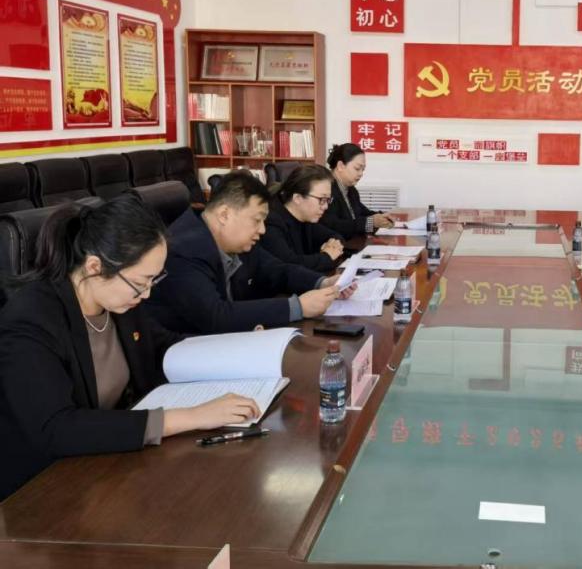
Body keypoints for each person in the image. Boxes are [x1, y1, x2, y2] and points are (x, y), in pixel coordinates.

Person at [0, 196, 260, 500]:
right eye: (142, 281)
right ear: (95, 266)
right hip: (44, 486)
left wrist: (239, 348)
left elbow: (162, 344)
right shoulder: (31, 319)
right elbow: (56, 428)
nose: (147, 294)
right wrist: (193, 416)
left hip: (109, 463)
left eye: (153, 280)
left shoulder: (119, 301)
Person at [147, 170, 350, 335]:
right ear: (224, 215)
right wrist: (298, 307)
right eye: (257, 220)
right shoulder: (183, 249)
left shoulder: (235, 241)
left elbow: (277, 270)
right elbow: (215, 316)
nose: (262, 229)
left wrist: (322, 282)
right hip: (185, 355)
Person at [263, 164, 346, 273]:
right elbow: (289, 265)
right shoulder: (271, 223)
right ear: (297, 198)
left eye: (328, 200)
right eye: (322, 199)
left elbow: (336, 236)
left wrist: (332, 247)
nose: (326, 206)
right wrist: (327, 256)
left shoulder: (306, 217)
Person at [320, 143, 397, 239]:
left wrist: (382, 217)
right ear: (340, 166)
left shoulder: (351, 190)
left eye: (363, 169)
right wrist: (371, 222)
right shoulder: (326, 189)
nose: (361, 174)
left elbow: (362, 212)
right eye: (357, 168)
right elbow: (333, 226)